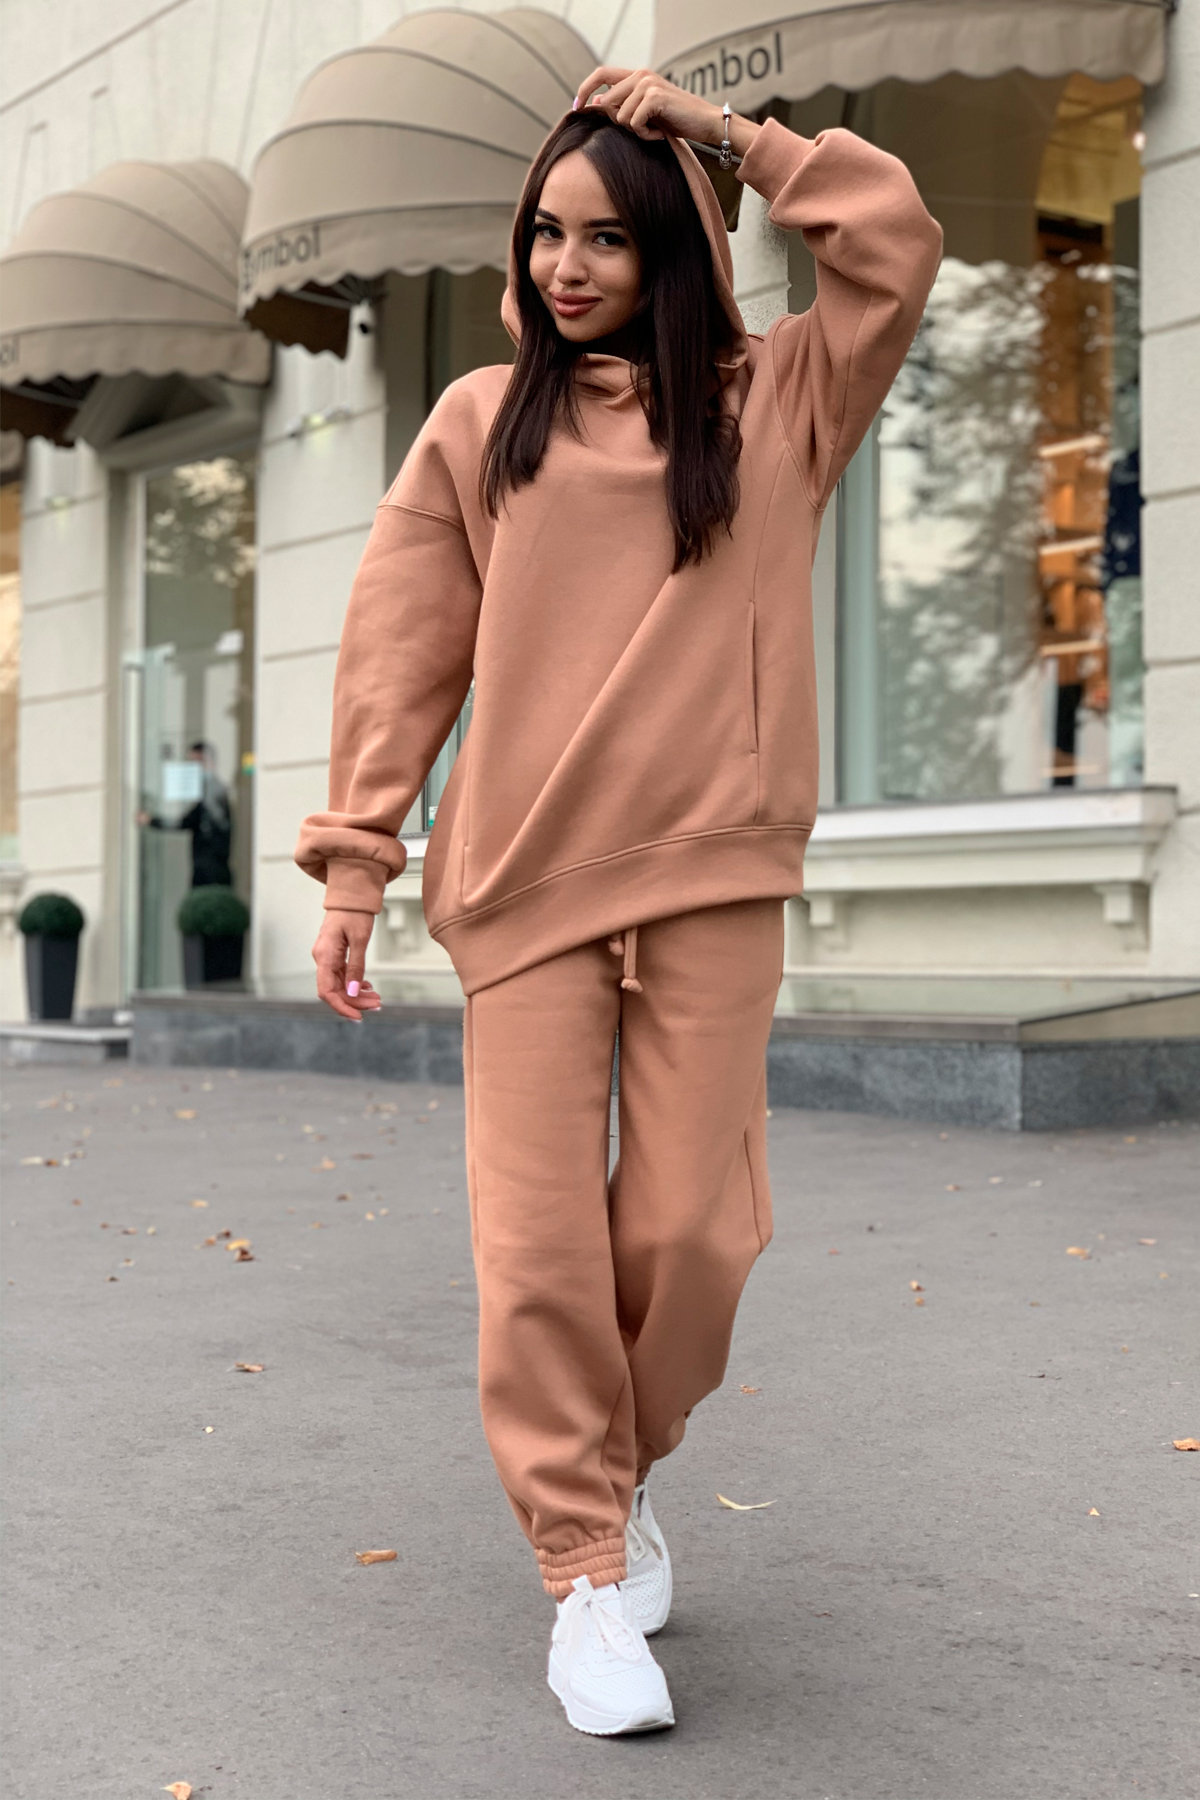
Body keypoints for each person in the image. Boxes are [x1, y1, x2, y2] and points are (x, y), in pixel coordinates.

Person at [296, 66, 941, 1736]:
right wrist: (359, 859)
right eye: (544, 233)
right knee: (535, 1250)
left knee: (694, 1233)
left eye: (604, 236)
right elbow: (401, 649)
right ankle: (583, 1570)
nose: (565, 265)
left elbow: (889, 240)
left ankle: (620, 1463)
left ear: (672, 247)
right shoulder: (478, 424)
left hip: (714, 876)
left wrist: (723, 133)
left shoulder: (779, 401)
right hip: (521, 886)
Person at [139, 740, 233, 889]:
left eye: (196, 763)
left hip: (211, 868)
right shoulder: (207, 790)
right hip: (207, 866)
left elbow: (189, 821)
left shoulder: (212, 791)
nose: (192, 769)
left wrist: (152, 821)